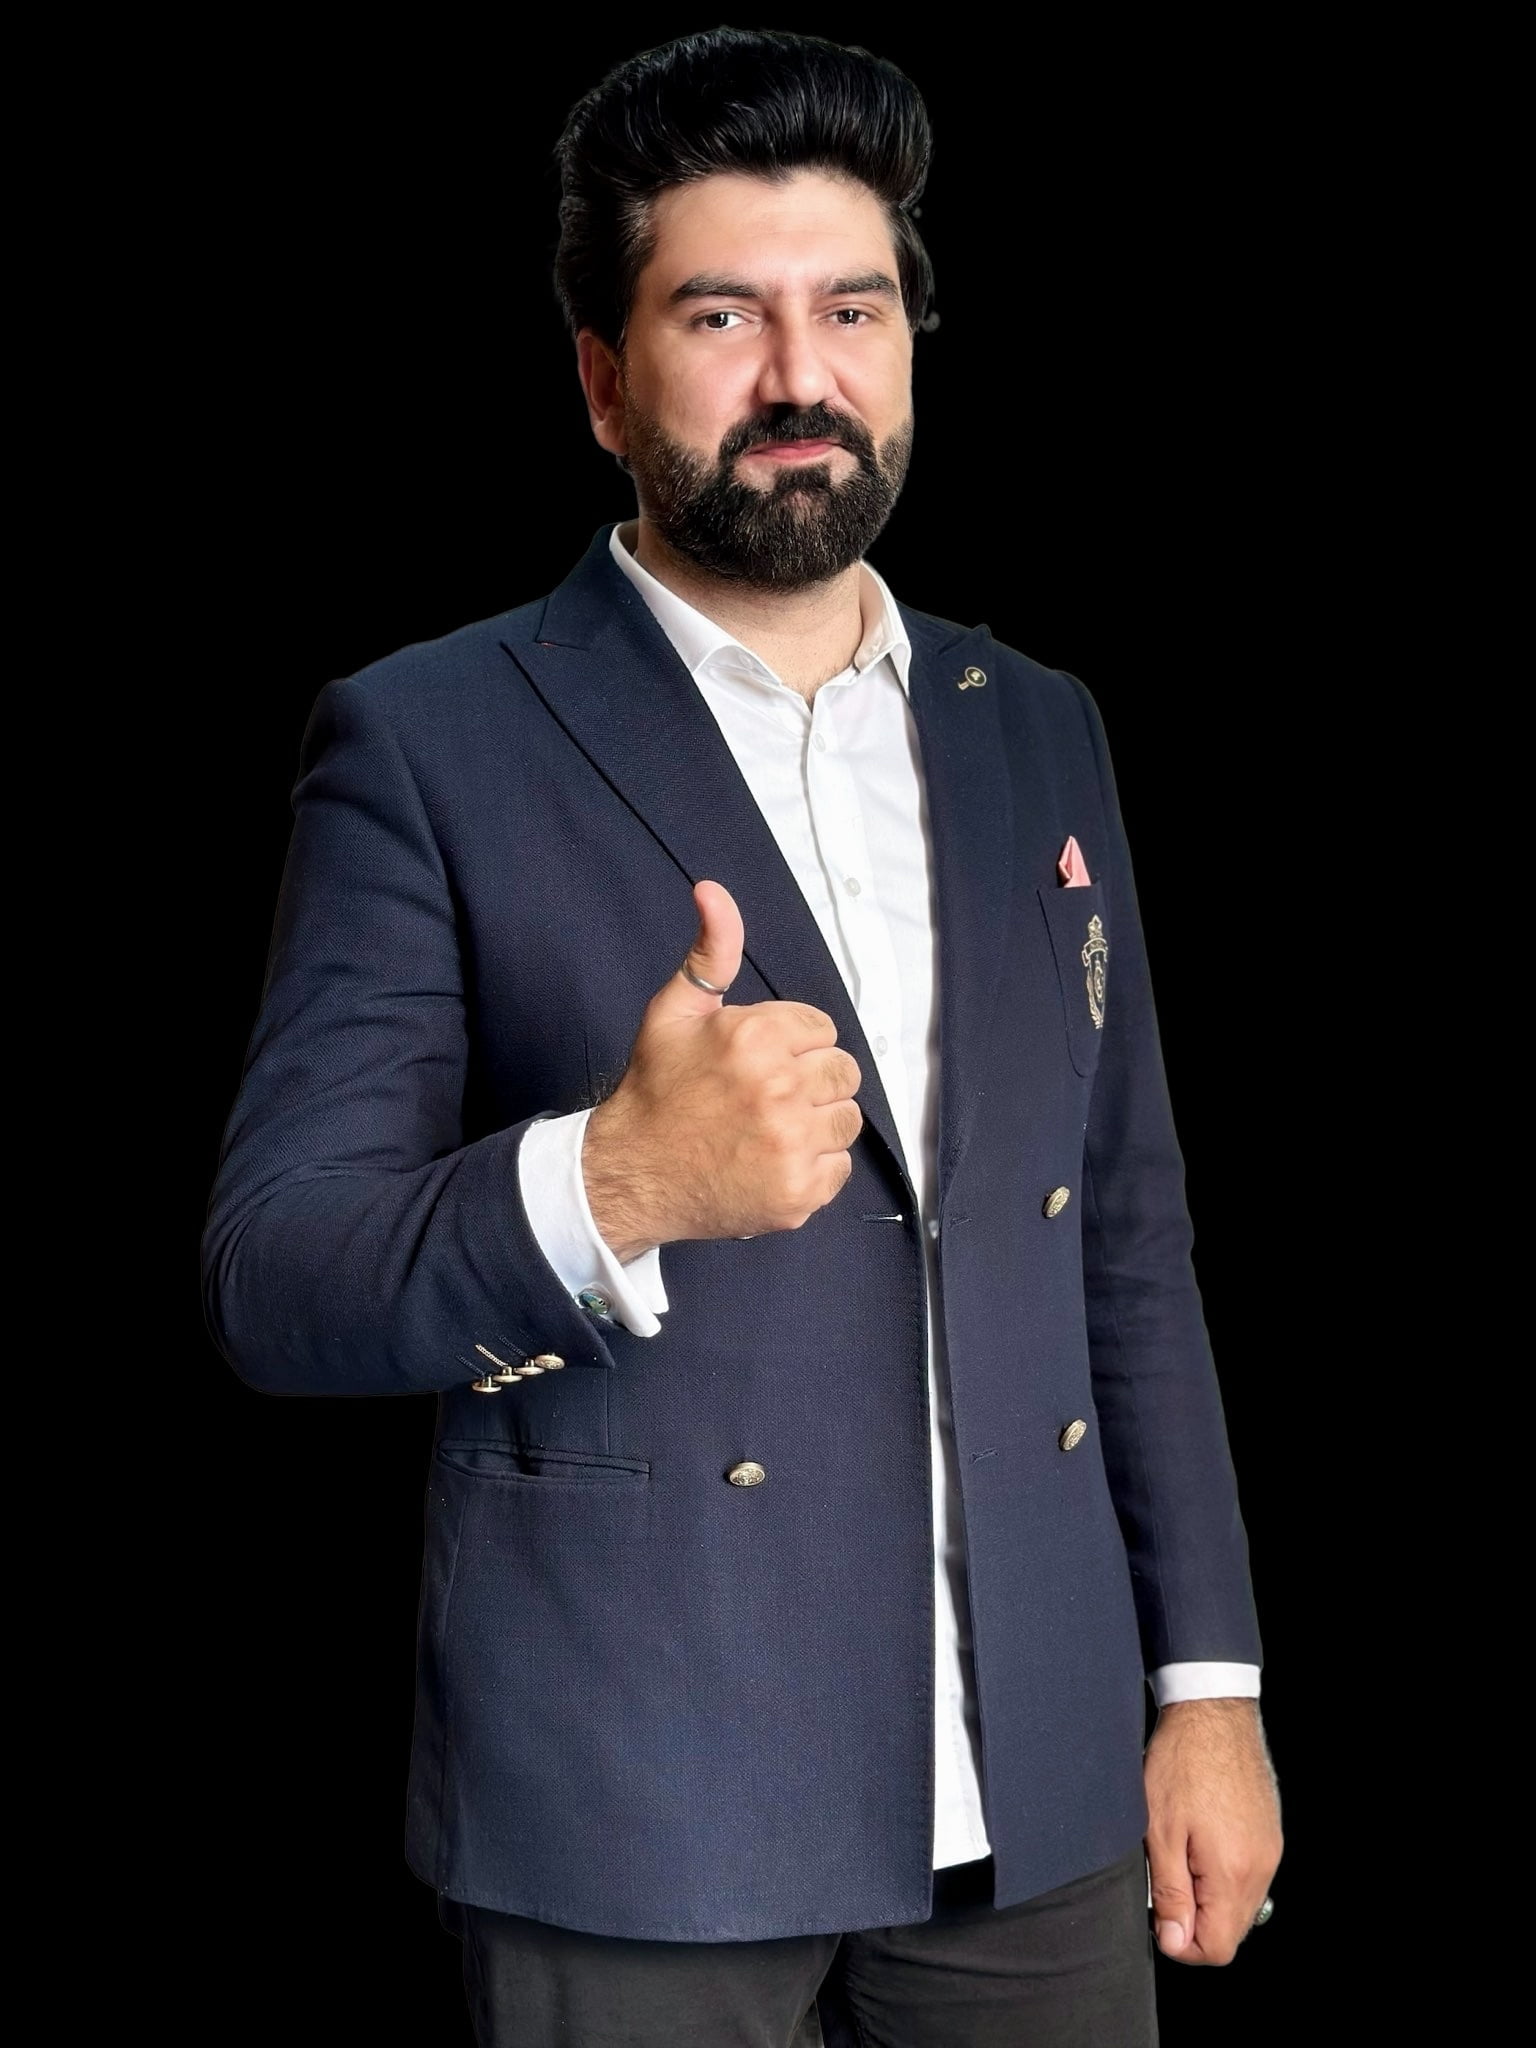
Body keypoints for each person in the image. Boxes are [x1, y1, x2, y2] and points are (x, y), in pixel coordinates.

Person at [201, 28, 1282, 2046]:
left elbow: (1124, 1236)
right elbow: (276, 1276)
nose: (802, 376)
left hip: (1042, 1795)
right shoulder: (427, 739)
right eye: (722, 316)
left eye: (851, 310)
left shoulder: (1039, 725)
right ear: (603, 382)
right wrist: (609, 1184)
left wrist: (1204, 1686)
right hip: (635, 1789)